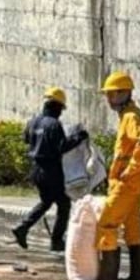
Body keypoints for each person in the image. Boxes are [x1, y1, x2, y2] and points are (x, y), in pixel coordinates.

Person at [93, 72, 140, 280]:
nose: (109, 98)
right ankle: (138, 276)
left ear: (125, 93)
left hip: (128, 183)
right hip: (133, 183)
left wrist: (129, 171)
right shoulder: (130, 115)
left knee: (107, 223)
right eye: (108, 94)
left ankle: (107, 277)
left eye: (112, 94)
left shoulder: (131, 116)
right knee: (133, 228)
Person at [12, 86, 87, 253]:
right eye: (61, 108)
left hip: (36, 169)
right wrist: (78, 138)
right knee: (63, 204)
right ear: (57, 107)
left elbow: (26, 139)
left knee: (46, 202)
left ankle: (24, 228)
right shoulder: (54, 124)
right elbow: (62, 147)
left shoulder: (33, 122)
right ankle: (56, 240)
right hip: (51, 170)